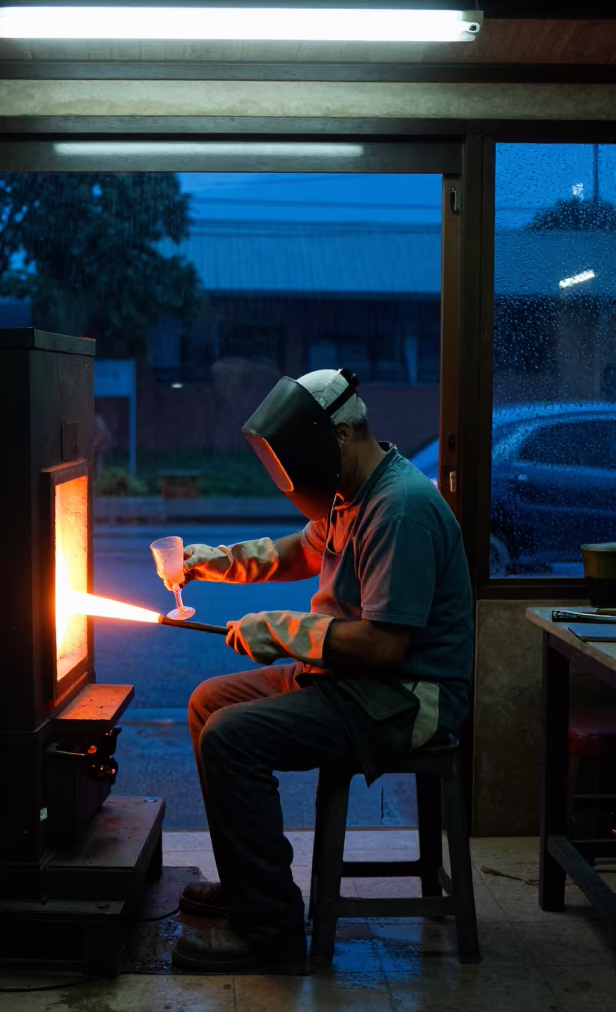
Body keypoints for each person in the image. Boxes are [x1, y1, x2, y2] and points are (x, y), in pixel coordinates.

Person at [166, 368, 474, 973]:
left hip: (403, 697)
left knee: (233, 737)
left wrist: (281, 630)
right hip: (352, 680)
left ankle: (270, 934)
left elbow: (385, 646)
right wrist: (216, 563)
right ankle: (256, 887)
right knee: (209, 703)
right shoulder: (350, 492)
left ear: (340, 436)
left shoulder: (400, 508)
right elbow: (302, 550)